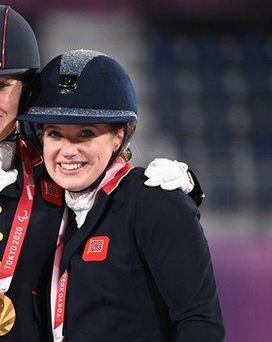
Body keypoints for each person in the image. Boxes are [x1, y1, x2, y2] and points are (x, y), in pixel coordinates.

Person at [0, 2, 200, 342]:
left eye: (1, 85)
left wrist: (185, 189)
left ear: (27, 91)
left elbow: (126, 206)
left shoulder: (57, 167)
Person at [17, 49, 225, 341]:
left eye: (86, 133)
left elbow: (200, 322)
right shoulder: (48, 205)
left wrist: (184, 193)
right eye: (54, 133)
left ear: (119, 135)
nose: (67, 150)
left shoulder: (153, 201)